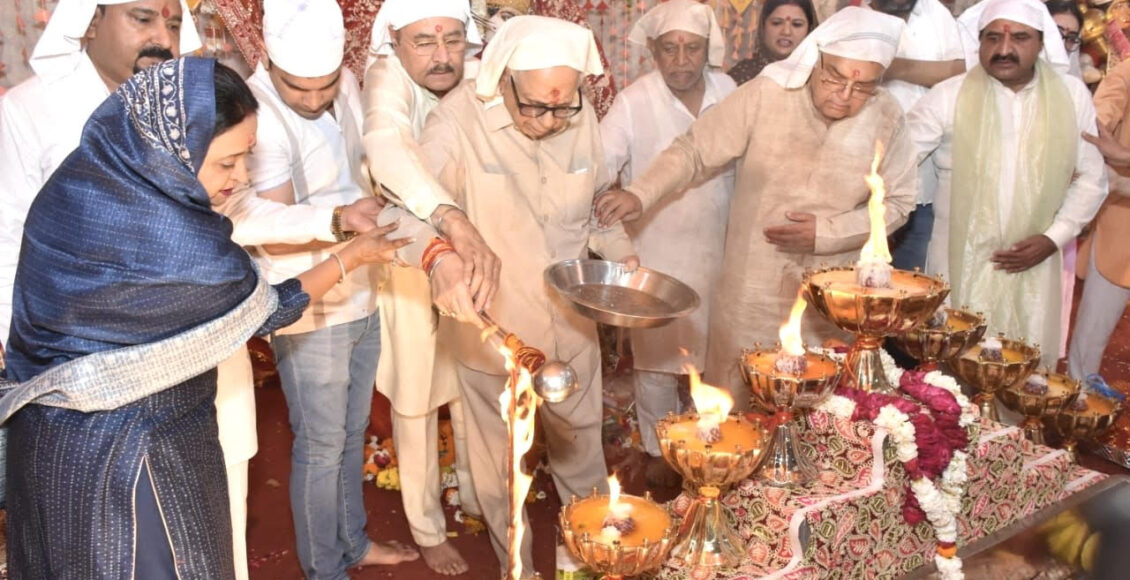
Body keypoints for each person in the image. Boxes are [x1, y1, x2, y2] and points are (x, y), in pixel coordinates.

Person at [1, 57, 415, 580]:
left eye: (247, 158)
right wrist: (351, 257)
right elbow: (264, 309)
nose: (240, 178)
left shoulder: (83, 186)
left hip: (53, 446)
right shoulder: (177, 238)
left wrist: (342, 239)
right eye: (227, 163)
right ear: (178, 149)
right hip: (133, 461)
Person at [595, 7, 917, 404]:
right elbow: (694, 151)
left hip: (832, 297)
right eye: (834, 76)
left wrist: (827, 232)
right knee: (738, 400)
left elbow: (901, 200)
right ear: (816, 59)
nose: (845, 95)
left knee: (824, 406)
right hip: (752, 287)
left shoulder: (886, 114)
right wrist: (639, 193)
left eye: (862, 86)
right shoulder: (766, 95)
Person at [237, 1, 457, 577]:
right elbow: (271, 219)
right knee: (319, 443)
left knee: (352, 430)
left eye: (325, 85)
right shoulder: (256, 110)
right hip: (309, 302)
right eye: (298, 88)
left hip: (365, 288)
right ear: (269, 62)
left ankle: (352, 544)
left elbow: (371, 165)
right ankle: (324, 568)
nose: (313, 100)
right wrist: (345, 220)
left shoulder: (351, 85)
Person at [419, 15, 638, 576]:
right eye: (536, 107)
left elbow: (591, 204)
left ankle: (590, 556)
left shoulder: (576, 113)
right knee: (502, 470)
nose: (550, 121)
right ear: (502, 79)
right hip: (495, 329)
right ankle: (518, 567)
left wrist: (620, 249)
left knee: (582, 448)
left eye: (562, 108)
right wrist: (439, 257)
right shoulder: (455, 122)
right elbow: (403, 210)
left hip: (570, 323)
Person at [908, 0, 1107, 369]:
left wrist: (1053, 238)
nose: (1004, 49)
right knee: (951, 374)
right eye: (993, 38)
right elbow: (897, 162)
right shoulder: (948, 95)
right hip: (957, 261)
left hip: (1034, 260)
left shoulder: (1071, 96)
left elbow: (1093, 180)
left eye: (1019, 37)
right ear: (979, 42)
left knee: (1022, 365)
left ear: (1041, 43)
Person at [362, 0, 489, 575]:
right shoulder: (385, 78)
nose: (442, 57)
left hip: (475, 249)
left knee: (471, 375)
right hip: (404, 254)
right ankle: (426, 526)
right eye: (425, 42)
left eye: (452, 40)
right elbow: (388, 151)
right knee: (416, 395)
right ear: (394, 39)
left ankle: (474, 490)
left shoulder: (480, 72)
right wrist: (450, 221)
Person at [600, 0, 735, 487]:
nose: (681, 59)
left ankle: (716, 449)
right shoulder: (634, 101)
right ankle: (659, 456)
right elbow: (601, 163)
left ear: (707, 51)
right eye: (669, 49)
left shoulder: (730, 91)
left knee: (719, 355)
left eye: (691, 48)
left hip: (722, 246)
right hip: (656, 249)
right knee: (658, 362)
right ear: (653, 52)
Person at [871, 0, 965, 273]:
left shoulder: (936, 13)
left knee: (912, 288)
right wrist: (928, 72)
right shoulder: (856, 18)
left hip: (924, 187)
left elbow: (961, 73)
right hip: (865, 184)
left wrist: (898, 68)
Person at [1067, 59, 1130, 380]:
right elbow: (1098, 120)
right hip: (1123, 224)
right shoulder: (1127, 71)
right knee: (1093, 332)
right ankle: (1078, 399)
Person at [728, 0, 817, 86]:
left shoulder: (819, 78)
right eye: (776, 23)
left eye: (797, 24)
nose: (786, 32)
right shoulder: (741, 76)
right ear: (763, 26)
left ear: (810, 29)